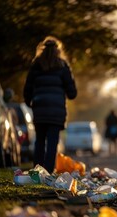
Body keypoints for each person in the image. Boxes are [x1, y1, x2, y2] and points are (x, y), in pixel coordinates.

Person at [24, 36, 77, 174]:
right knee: (52, 142)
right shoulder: (63, 66)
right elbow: (72, 93)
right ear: (58, 51)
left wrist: (29, 101)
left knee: (39, 141)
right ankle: (48, 171)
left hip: (40, 109)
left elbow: (27, 87)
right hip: (56, 111)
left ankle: (37, 170)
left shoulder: (36, 65)